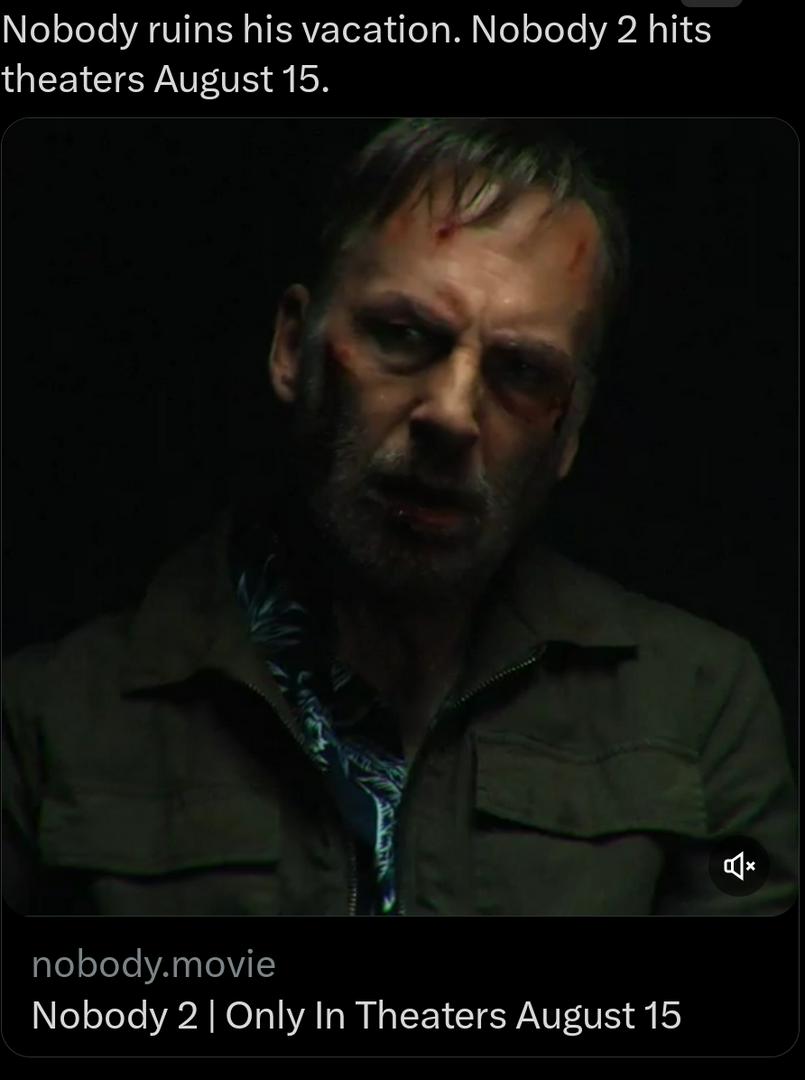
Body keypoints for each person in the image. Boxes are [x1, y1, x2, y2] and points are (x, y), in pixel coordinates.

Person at [2, 119, 795, 916]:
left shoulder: (696, 706)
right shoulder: (47, 724)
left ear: (569, 432)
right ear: (292, 346)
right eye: (402, 335)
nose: (450, 414)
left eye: (521, 371)